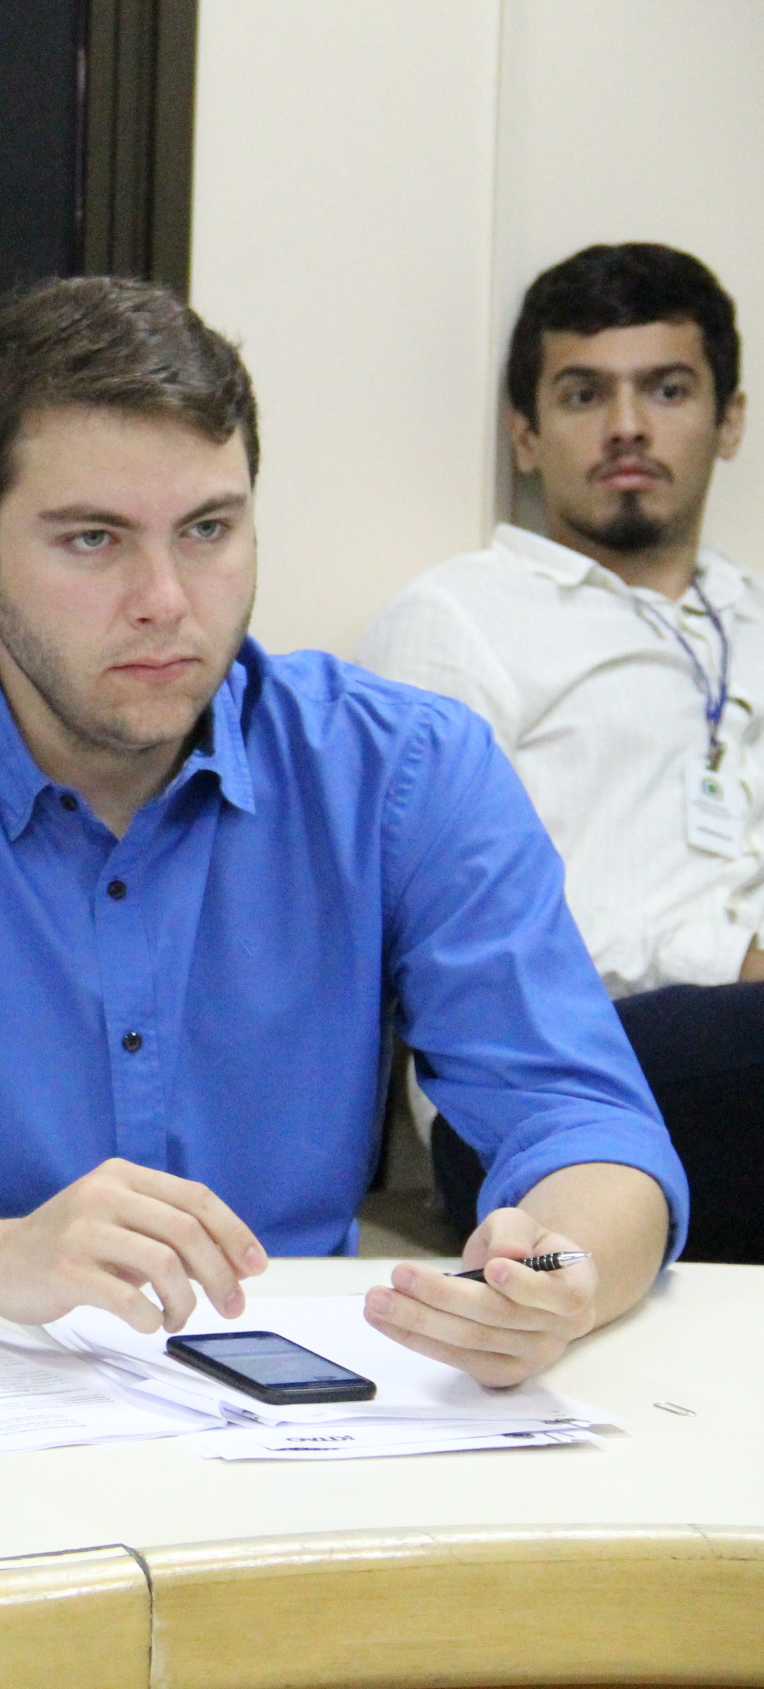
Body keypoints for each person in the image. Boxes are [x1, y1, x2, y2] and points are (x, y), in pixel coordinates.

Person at [0, 275, 688, 1389]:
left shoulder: (404, 770)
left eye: (208, 530)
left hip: (297, 1411)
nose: (166, 599)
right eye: (94, 540)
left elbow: (586, 1123)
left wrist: (555, 1274)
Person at [358, 243, 758, 1262]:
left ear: (730, 421)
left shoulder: (753, 621)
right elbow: (431, 913)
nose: (627, 425)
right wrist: (728, 959)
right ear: (526, 435)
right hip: (539, 1086)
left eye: (667, 389)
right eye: (585, 394)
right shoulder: (460, 616)